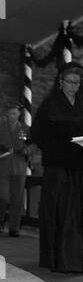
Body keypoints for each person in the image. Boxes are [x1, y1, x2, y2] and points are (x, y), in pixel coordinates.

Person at [31, 61, 83, 273]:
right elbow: (37, 135)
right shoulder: (49, 105)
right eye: (69, 82)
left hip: (78, 166)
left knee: (75, 213)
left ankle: (70, 259)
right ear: (60, 82)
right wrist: (60, 145)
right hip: (57, 166)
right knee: (58, 212)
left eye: (77, 83)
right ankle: (56, 259)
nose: (73, 86)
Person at [0, 101, 32, 237]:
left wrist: (27, 150)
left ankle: (14, 228)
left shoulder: (25, 128)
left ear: (19, 114)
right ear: (6, 114)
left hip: (19, 167)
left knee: (17, 199)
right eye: (10, 113)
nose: (12, 115)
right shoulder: (1, 127)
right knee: (3, 197)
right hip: (3, 166)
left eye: (15, 113)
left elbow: (32, 145)